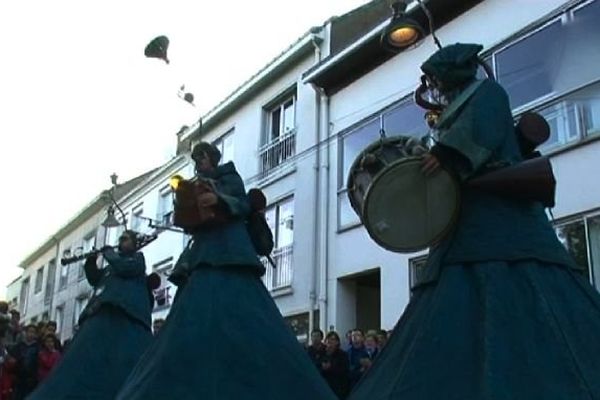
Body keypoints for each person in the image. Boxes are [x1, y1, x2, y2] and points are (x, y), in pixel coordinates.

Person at [348, 43, 600, 400]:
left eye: (437, 78)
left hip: (496, 214)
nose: (435, 86)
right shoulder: (459, 107)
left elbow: (480, 132)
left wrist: (448, 154)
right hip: (467, 218)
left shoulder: (488, 95)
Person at [116, 142, 336, 400]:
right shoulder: (196, 182)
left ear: (212, 157)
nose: (199, 163)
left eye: (202, 157)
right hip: (204, 251)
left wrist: (218, 199)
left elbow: (241, 204)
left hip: (229, 248)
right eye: (196, 159)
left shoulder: (229, 177)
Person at [29, 230, 154, 400]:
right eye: (120, 238)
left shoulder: (137, 259)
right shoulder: (111, 267)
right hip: (100, 308)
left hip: (124, 310)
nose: (121, 242)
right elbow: (96, 279)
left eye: (125, 239)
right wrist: (90, 262)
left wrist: (108, 253)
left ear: (133, 243)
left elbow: (127, 268)